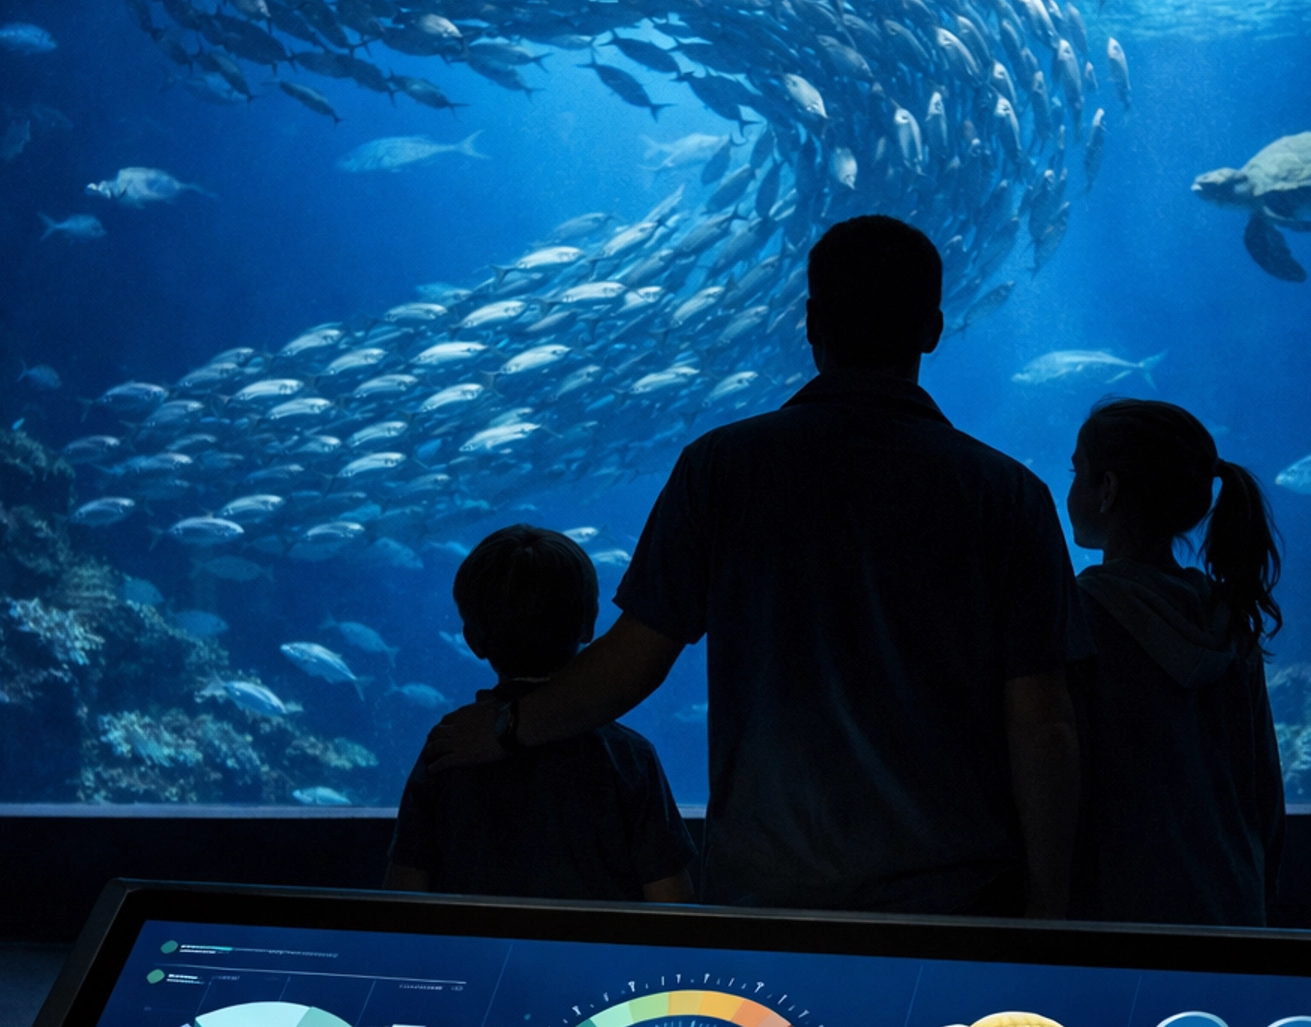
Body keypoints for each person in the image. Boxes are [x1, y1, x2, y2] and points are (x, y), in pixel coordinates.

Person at [423, 216, 1088, 917]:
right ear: (932, 329)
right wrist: (1049, 907)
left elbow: (635, 660)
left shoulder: (723, 467)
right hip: (957, 898)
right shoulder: (1007, 495)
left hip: (771, 898)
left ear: (810, 323)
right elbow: (1042, 722)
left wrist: (505, 728)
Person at [384, 524, 695, 902]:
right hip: (595, 962)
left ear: (472, 640)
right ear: (590, 625)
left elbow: (404, 896)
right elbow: (671, 899)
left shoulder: (449, 748)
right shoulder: (630, 758)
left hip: (471, 960)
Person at [1064, 399, 1285, 925]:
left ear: (1107, 490)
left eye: (1077, 471)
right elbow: (1265, 790)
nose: (1070, 487)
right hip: (1230, 899)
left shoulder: (1080, 615)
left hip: (1122, 910)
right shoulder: (1230, 618)